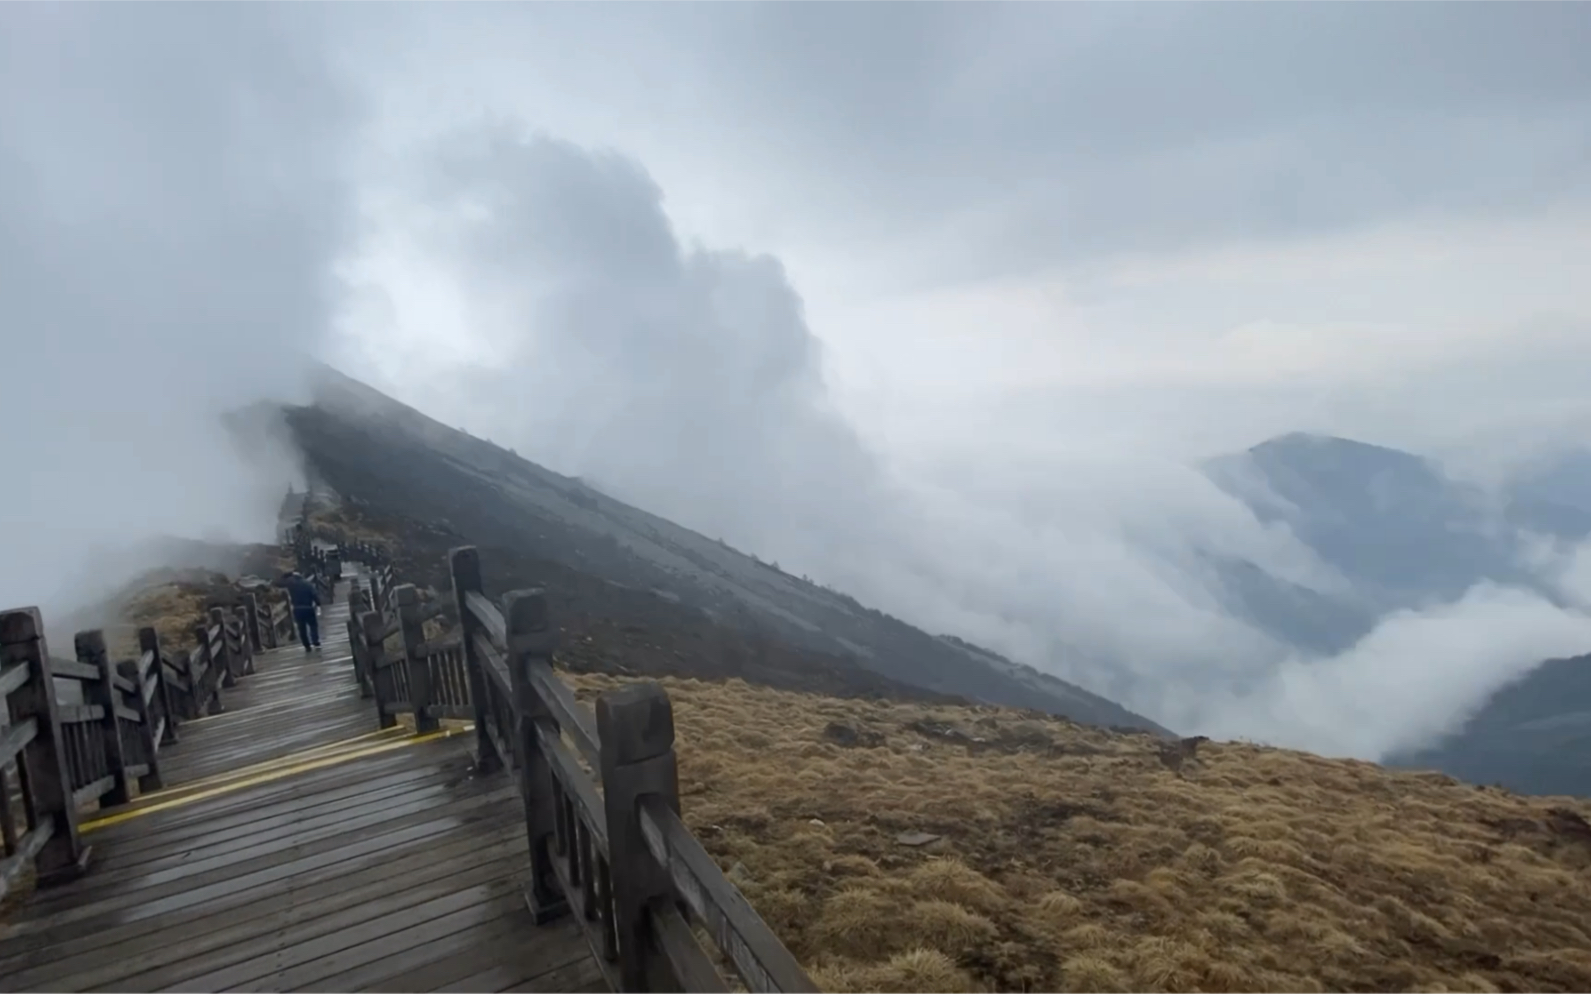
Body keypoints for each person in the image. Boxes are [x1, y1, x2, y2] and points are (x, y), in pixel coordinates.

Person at [280, 571, 322, 652]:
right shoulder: (307, 584)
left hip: (297, 608)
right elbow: (314, 594)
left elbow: (279, 583)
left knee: (302, 628)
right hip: (308, 607)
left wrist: (286, 575)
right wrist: (318, 603)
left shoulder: (291, 585)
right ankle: (315, 642)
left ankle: (306, 645)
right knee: (313, 626)